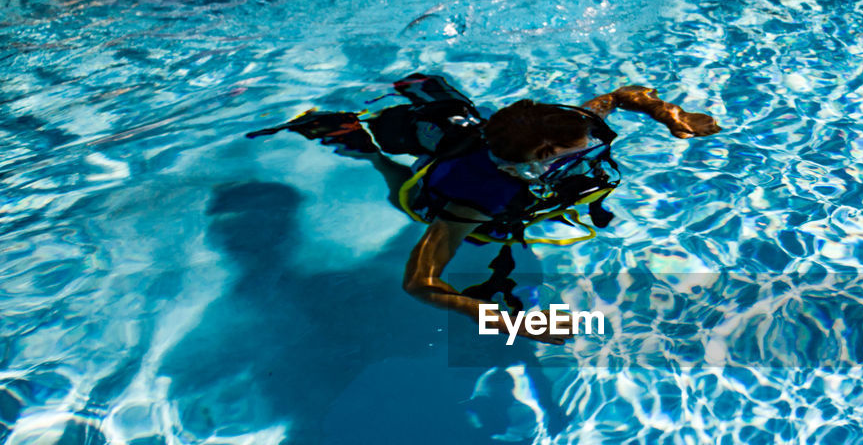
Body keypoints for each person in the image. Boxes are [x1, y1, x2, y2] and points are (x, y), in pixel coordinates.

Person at [252, 81, 721, 344]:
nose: (590, 147)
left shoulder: (571, 127)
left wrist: (669, 115)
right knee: (408, 197)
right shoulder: (474, 202)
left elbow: (621, 95)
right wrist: (515, 322)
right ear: (539, 156)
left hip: (492, 153)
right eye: (577, 150)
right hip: (446, 195)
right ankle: (373, 154)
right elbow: (420, 283)